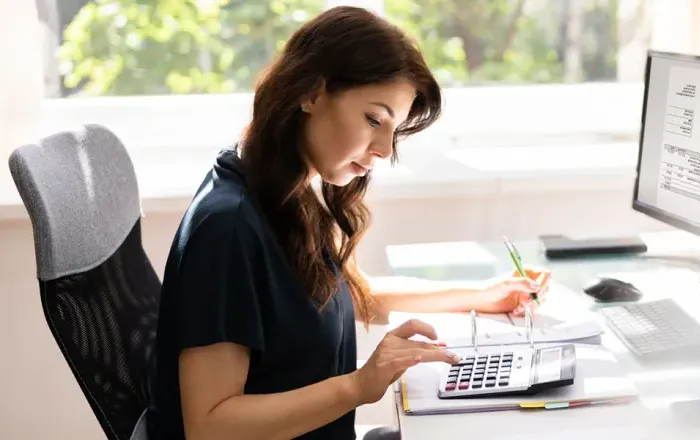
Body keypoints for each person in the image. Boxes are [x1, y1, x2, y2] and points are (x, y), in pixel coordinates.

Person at [146, 6, 551, 440]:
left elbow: (345, 295)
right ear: (311, 93)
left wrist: (483, 295)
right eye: (373, 119)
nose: (382, 149)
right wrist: (359, 386)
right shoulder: (228, 229)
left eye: (393, 131)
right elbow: (211, 426)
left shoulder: (284, 189)